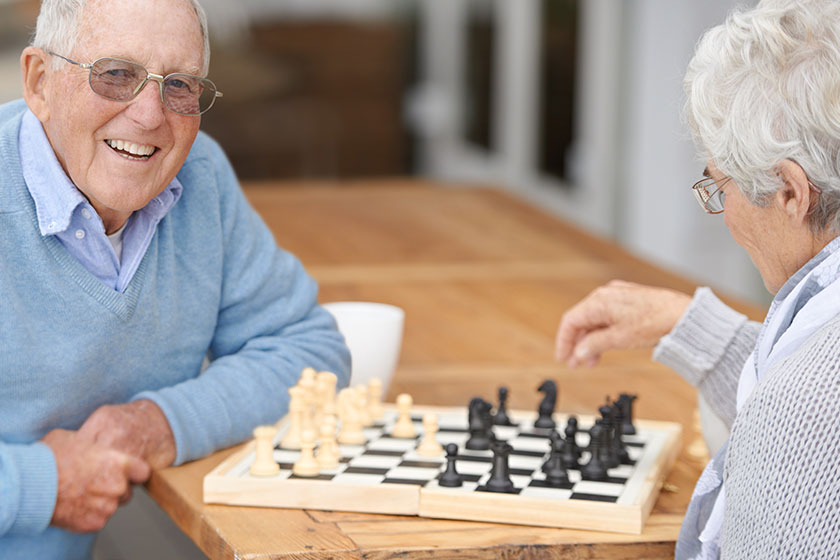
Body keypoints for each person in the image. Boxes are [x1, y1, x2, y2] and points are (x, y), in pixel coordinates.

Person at [0, 0, 350, 558]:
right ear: (40, 81)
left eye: (180, 85)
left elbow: (310, 350)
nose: (149, 115)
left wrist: (161, 422)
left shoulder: (200, 176)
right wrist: (39, 485)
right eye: (116, 75)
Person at [555, 0, 840, 558]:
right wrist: (691, 327)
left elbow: (805, 425)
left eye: (719, 185)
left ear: (790, 191)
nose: (725, 212)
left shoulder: (807, 404)